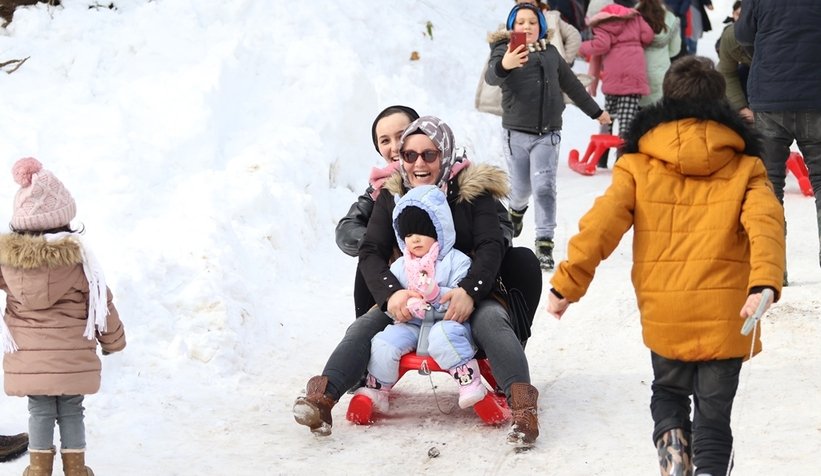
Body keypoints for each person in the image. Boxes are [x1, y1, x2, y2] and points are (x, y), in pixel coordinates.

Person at [546, 56, 785, 475]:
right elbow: (767, 225)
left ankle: (673, 449)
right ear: (721, 102)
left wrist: (568, 285)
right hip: (729, 313)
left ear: (666, 98)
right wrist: (762, 284)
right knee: (714, 416)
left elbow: (601, 226)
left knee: (668, 390)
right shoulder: (747, 165)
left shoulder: (637, 164)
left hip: (665, 309)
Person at [295, 116, 542, 447]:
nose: (419, 163)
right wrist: (391, 295)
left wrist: (469, 292)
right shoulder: (393, 193)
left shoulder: (473, 193)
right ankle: (321, 399)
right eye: (409, 155)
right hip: (412, 291)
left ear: (446, 154)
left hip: (466, 290)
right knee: (364, 327)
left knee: (492, 322)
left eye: (429, 154)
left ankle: (523, 410)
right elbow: (370, 249)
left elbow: (490, 244)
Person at [1, 158, 126, 476]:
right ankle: (76, 468)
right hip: (72, 356)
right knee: (72, 409)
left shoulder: (8, 264)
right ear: (64, 221)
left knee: (39, 409)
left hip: (29, 358)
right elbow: (102, 303)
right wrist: (113, 340)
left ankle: (38, 469)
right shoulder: (80, 263)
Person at [485, 3, 611, 271]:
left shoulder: (552, 53)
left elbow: (572, 85)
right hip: (516, 134)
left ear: (541, 27)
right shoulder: (503, 51)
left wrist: (595, 112)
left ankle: (544, 242)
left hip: (548, 134)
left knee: (543, 188)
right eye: (520, 23)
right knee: (520, 189)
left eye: (532, 22)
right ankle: (516, 211)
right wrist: (506, 64)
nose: (527, 27)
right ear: (512, 27)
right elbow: (492, 77)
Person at [354, 185, 486, 414]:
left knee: (443, 337)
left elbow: (461, 299)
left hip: (449, 322)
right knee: (384, 342)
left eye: (421, 232)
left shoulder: (456, 261)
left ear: (438, 230)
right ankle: (378, 389)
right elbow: (392, 302)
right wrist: (405, 305)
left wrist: (436, 294)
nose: (414, 240)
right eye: (408, 235)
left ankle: (469, 381)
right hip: (413, 324)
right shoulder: (401, 266)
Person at [735, 0, 821, 269]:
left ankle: (771, 268)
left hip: (770, 100)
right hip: (815, 100)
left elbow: (742, 35)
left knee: (769, 185)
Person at [336, 105, 420, 318]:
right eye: (385, 141)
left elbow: (499, 225)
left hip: (449, 275)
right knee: (368, 257)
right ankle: (364, 331)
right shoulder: (380, 189)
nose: (394, 147)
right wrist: (381, 243)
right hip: (398, 280)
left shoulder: (451, 173)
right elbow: (347, 228)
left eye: (402, 136)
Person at [580, 3, 653, 168]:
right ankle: (624, 160)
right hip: (634, 73)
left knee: (608, 117)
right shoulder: (635, 17)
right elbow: (648, 36)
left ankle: (602, 158)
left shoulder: (601, 23)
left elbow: (601, 45)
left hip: (613, 75)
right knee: (628, 120)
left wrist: (581, 47)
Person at [636, 0, 681, 108]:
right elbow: (675, 50)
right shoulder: (670, 19)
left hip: (636, 73)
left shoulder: (633, 16)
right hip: (661, 74)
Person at [716, 3, 751, 123]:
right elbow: (726, 72)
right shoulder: (730, 34)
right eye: (738, 14)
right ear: (733, 14)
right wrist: (741, 107)